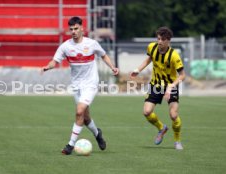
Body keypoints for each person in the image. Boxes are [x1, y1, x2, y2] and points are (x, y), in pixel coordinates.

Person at [41, 16, 119, 155]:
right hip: (76, 85)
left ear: (82, 28)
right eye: (71, 29)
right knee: (85, 117)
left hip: (90, 83)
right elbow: (55, 61)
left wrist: (112, 67)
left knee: (79, 111)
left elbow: (103, 55)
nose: (73, 31)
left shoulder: (92, 43)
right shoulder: (65, 46)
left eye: (76, 28)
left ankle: (70, 145)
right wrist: (48, 67)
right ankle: (97, 134)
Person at [130, 26, 186, 150]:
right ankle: (162, 128)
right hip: (156, 85)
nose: (159, 42)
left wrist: (171, 86)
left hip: (171, 86)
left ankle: (177, 141)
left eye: (162, 39)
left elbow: (182, 75)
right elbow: (149, 59)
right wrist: (138, 70)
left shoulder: (174, 56)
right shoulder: (152, 47)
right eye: (158, 39)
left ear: (168, 41)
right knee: (147, 112)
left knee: (173, 115)